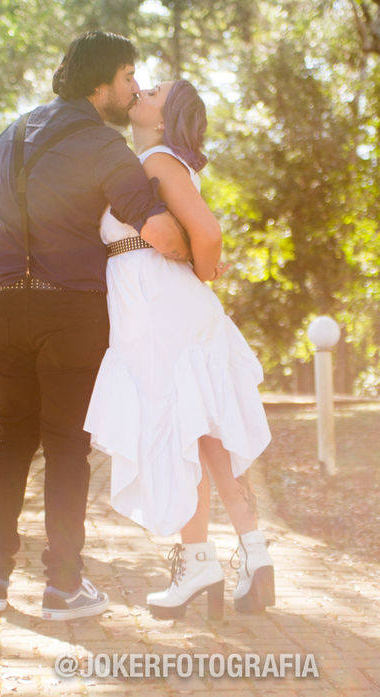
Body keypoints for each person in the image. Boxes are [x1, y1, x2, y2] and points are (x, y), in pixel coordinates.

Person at [0, 32, 191, 621]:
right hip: (71, 312)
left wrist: (10, 279)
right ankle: (63, 587)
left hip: (5, 308)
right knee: (67, 447)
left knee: (10, 438)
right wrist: (194, 264)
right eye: (128, 77)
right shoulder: (103, 144)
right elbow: (157, 229)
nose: (135, 88)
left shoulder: (10, 134)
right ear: (100, 83)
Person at [85, 79, 274, 620]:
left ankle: (198, 563)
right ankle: (253, 554)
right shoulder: (155, 159)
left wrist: (202, 272)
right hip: (159, 297)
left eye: (152, 92)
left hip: (157, 302)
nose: (139, 91)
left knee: (176, 425)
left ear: (164, 120)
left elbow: (208, 234)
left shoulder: (160, 159)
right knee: (204, 432)